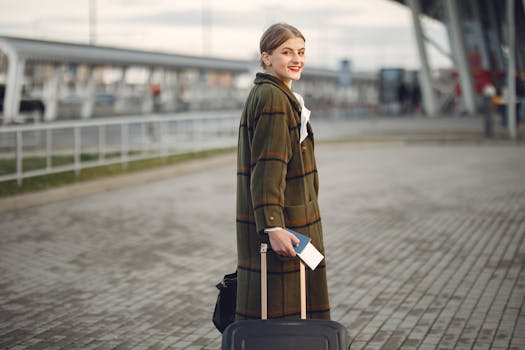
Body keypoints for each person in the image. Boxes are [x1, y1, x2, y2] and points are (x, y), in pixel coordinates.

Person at [235, 23, 330, 320]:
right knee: (285, 319)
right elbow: (268, 167)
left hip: (291, 221)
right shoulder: (274, 99)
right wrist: (273, 226)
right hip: (287, 225)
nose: (296, 59)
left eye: (301, 52)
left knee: (285, 314)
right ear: (266, 57)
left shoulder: (273, 94)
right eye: (286, 52)